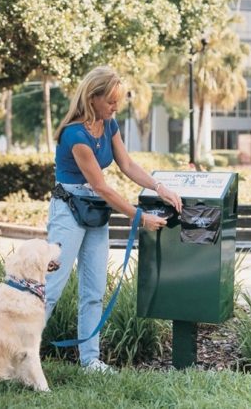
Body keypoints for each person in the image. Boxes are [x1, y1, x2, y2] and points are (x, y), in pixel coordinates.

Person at [45, 65, 182, 373]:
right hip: (68, 210)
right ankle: (17, 356)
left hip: (94, 211)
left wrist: (160, 188)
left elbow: (127, 164)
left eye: (117, 102)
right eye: (110, 101)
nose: (115, 107)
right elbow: (102, 186)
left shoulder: (109, 124)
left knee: (93, 290)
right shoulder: (74, 135)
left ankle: (90, 361)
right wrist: (139, 218)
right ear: (92, 98)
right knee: (51, 287)